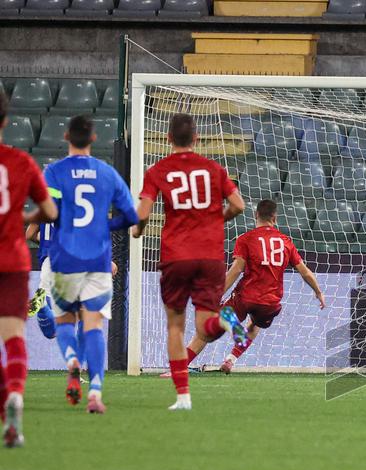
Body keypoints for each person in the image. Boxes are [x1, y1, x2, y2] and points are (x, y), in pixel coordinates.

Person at [134, 112, 247, 411]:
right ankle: (226, 319)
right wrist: (216, 221)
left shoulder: (158, 170)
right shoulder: (213, 168)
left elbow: (143, 213)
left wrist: (138, 230)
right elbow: (238, 205)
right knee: (206, 324)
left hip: (176, 256)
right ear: (196, 138)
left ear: (169, 138)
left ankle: (183, 397)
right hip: (209, 255)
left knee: (175, 326)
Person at [30, 115, 139, 413]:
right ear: (93, 139)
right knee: (93, 325)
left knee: (65, 321)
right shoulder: (107, 173)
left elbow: (48, 211)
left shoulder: (54, 172)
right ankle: (96, 392)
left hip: (64, 258)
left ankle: (71, 363)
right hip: (98, 260)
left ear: (66, 137)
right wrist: (106, 226)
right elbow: (131, 216)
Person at [180, 199, 326, 374]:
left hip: (246, 298)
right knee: (256, 324)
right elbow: (305, 272)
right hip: (271, 303)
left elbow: (235, 271)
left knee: (205, 330)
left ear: (256, 215)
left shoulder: (246, 239)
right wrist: (318, 292)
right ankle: (231, 359)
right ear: (275, 217)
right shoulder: (286, 242)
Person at [0, 90, 59, 446]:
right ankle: (16, 395)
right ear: (6, 121)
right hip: (14, 260)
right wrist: (23, 216)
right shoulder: (22, 162)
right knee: (13, 338)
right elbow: (50, 212)